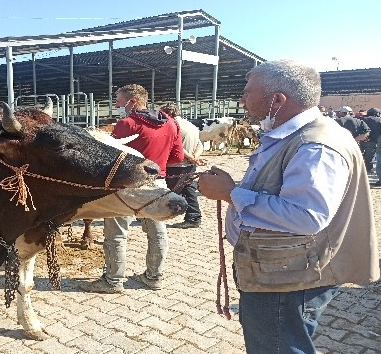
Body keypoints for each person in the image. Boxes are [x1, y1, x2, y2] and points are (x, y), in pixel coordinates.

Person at [197, 59, 379, 354]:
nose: (242, 98)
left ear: (277, 100)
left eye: (248, 91)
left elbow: (306, 216)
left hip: (288, 280)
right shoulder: (295, 135)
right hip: (283, 270)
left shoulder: (315, 146)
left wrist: (231, 194)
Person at [80, 84, 183, 293]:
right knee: (157, 233)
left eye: (119, 102)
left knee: (116, 234)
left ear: (132, 102)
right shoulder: (171, 124)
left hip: (126, 188)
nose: (118, 106)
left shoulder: (127, 124)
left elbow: (109, 160)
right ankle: (154, 277)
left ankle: (113, 281)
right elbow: (178, 158)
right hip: (158, 184)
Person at [163, 103, 207, 229]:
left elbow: (178, 147)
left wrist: (191, 158)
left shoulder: (171, 126)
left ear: (168, 114)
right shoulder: (191, 125)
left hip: (175, 165)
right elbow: (200, 145)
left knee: (165, 191)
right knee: (189, 190)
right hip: (189, 166)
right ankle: (193, 217)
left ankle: (157, 214)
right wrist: (195, 158)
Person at [360, 107, 381, 173]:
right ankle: (368, 169)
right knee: (370, 156)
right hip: (373, 141)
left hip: (362, 139)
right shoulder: (379, 120)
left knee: (360, 155)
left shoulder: (362, 119)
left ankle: (360, 168)